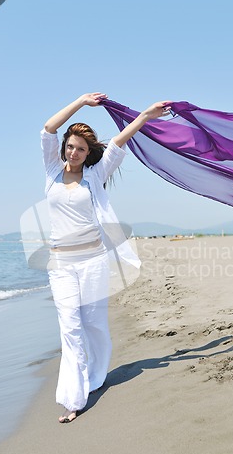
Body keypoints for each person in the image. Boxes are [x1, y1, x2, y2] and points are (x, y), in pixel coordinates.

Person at [41, 92, 171, 423]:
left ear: (88, 154)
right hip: (60, 265)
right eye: (70, 146)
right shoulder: (52, 171)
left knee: (95, 325)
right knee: (70, 327)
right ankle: (75, 397)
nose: (74, 152)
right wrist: (81, 102)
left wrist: (144, 115)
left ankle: (95, 376)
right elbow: (47, 128)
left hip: (93, 262)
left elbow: (117, 143)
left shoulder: (95, 176)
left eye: (81, 149)